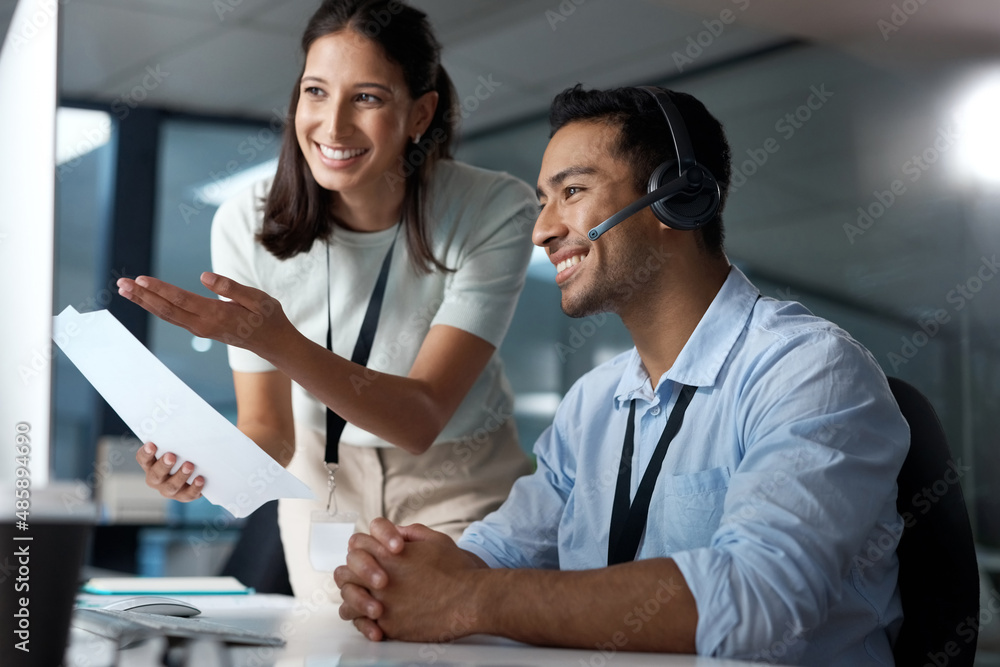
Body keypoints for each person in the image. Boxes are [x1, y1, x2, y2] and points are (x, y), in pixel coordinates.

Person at [334, 84, 910, 665]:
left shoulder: (809, 371)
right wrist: (397, 578)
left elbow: (760, 598)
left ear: (676, 199)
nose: (542, 231)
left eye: (573, 192)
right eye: (542, 201)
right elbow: (497, 554)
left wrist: (469, 598)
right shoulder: (592, 403)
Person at [116, 0, 536, 604]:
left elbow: (420, 419)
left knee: (453, 643)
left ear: (420, 113)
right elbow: (272, 431)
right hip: (322, 483)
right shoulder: (248, 219)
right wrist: (204, 464)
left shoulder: (494, 209)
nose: (333, 127)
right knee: (329, 649)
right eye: (316, 91)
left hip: (456, 478)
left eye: (367, 98)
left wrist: (274, 338)